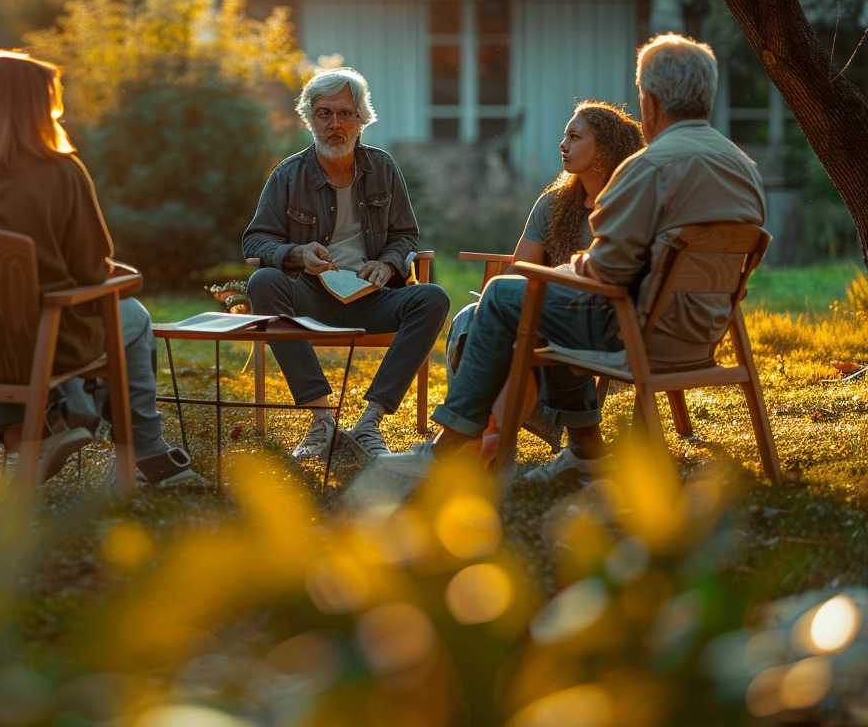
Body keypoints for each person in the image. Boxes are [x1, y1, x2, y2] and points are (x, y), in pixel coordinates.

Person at [383, 32, 766, 483]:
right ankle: (587, 454)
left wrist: (562, 271)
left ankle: (447, 450)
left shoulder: (649, 167)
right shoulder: (743, 168)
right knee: (552, 305)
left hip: (640, 334)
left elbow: (608, 272)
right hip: (704, 334)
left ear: (652, 103)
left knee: (511, 293)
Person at [0, 49, 197, 486]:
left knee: (2, 317)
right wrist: (115, 276)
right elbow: (89, 270)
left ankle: (28, 435)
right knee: (133, 318)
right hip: (39, 343)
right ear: (38, 110)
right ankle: (146, 449)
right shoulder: (61, 173)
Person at [242, 67, 450, 460]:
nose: (335, 124)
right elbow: (255, 240)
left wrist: (388, 265)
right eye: (324, 113)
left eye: (345, 113)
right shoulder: (289, 174)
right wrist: (296, 254)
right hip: (310, 300)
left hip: (372, 298)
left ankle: (368, 424)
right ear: (309, 118)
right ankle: (322, 420)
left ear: (360, 119)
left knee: (433, 298)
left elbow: (406, 235)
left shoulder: (383, 168)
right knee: (264, 282)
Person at [447, 101, 645, 456]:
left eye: (574, 136)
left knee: (521, 325)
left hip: (597, 323)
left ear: (603, 149)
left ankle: (478, 442)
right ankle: (486, 437)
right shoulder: (553, 204)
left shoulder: (628, 206)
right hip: (546, 310)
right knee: (469, 317)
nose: (563, 145)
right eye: (563, 135)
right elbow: (520, 272)